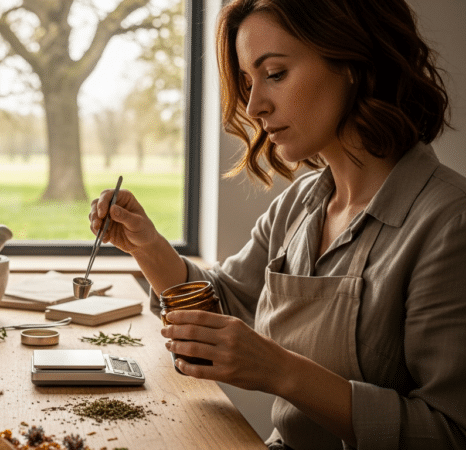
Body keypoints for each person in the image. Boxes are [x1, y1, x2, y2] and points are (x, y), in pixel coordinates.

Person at [88, 0, 466, 448]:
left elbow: (449, 434)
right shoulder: (299, 206)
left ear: (352, 62)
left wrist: (280, 370)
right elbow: (219, 313)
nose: (254, 105)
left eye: (276, 74)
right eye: (248, 82)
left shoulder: (449, 223)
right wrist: (146, 245)